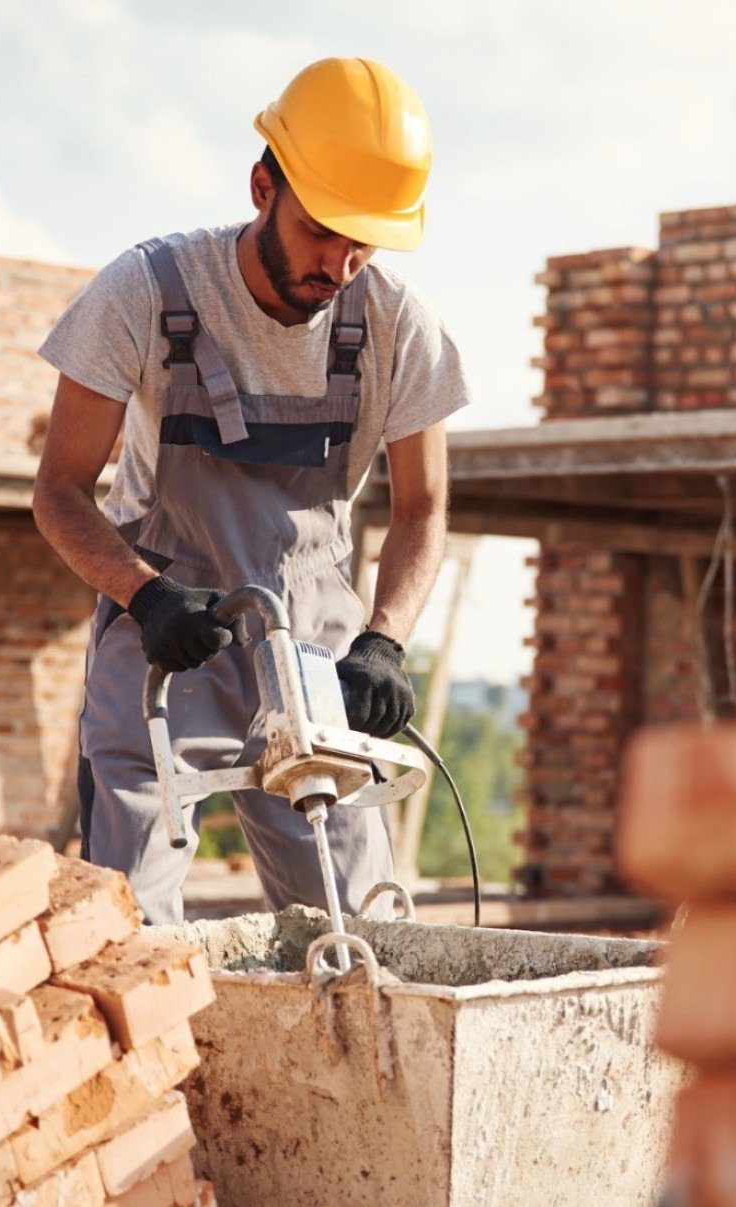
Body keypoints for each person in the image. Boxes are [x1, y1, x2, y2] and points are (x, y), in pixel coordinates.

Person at [32, 58, 470, 925]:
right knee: (128, 918)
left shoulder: (396, 324)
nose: (340, 264)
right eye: (320, 231)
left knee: (358, 927)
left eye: (364, 242)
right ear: (263, 185)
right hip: (170, 630)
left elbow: (423, 509)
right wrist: (145, 597)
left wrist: (385, 641)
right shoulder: (148, 294)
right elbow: (59, 492)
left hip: (311, 649)